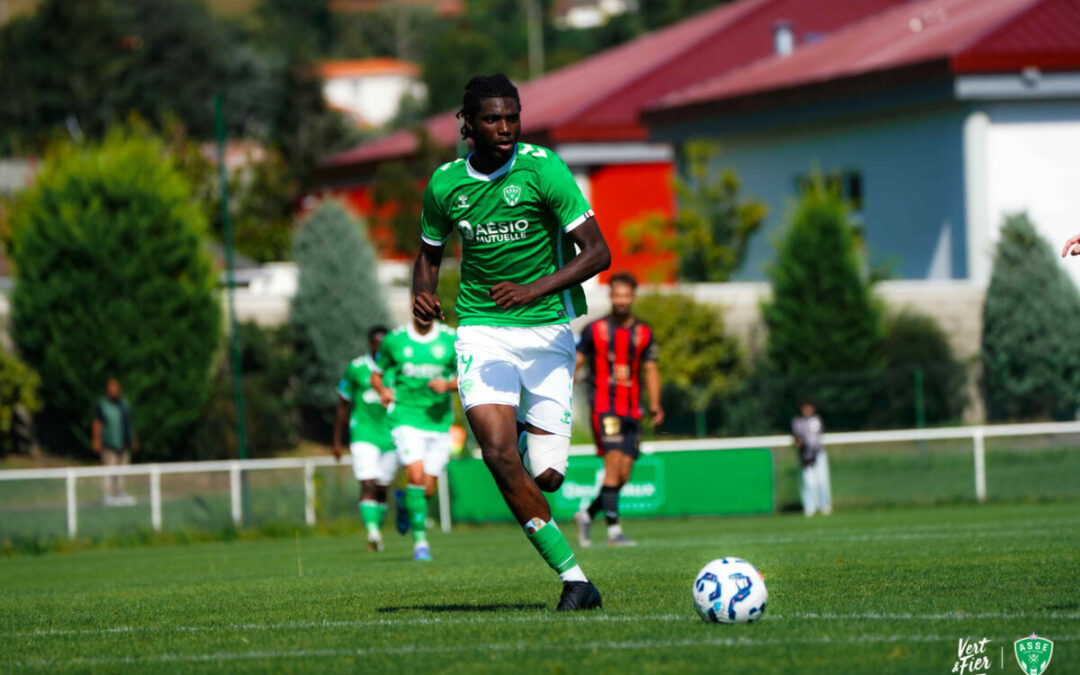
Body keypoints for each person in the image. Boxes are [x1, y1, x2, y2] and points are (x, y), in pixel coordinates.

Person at [411, 74, 611, 610]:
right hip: (481, 328)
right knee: (498, 456)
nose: (505, 128)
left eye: (512, 117)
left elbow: (597, 253)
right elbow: (429, 253)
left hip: (548, 329)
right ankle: (574, 579)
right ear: (468, 124)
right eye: (493, 119)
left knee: (545, 475)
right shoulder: (446, 184)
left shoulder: (543, 168)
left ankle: (528, 436)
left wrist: (532, 289)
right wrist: (422, 295)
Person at [573, 271, 663, 547]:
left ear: (632, 297)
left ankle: (586, 515)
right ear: (611, 296)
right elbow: (577, 360)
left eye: (626, 295)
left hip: (633, 410)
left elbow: (650, 369)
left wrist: (656, 404)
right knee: (612, 468)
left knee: (623, 475)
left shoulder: (644, 332)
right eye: (617, 294)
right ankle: (614, 532)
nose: (622, 300)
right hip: (604, 408)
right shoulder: (594, 330)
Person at [370, 314, 457, 562]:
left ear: (437, 307)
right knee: (416, 477)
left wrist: (450, 386)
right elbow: (376, 375)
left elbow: (469, 375)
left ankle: (404, 502)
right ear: (413, 305)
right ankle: (421, 544)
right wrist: (383, 390)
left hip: (438, 423)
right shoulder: (395, 340)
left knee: (427, 489)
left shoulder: (451, 339)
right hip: (405, 418)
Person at [332, 325, 398, 552]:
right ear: (370, 344)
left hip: (390, 436)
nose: (379, 347)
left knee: (381, 487)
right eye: (375, 343)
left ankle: (376, 531)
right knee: (367, 482)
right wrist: (337, 441)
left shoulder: (396, 369)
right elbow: (342, 404)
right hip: (363, 433)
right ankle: (372, 532)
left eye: (383, 343)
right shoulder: (356, 368)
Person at [91, 378, 138, 506]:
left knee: (123, 469)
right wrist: (96, 440)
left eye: (115, 388)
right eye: (111, 388)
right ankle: (106, 494)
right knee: (109, 469)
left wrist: (133, 439)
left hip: (124, 443)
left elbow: (130, 423)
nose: (113, 391)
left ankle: (120, 493)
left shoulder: (124, 403)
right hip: (110, 444)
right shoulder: (103, 405)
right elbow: (97, 423)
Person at [792, 400, 832, 517]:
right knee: (809, 482)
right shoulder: (797, 422)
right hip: (806, 455)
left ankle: (825, 504)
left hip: (818, 453)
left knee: (822, 481)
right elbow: (797, 438)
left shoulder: (816, 420)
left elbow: (816, 436)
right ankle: (810, 507)